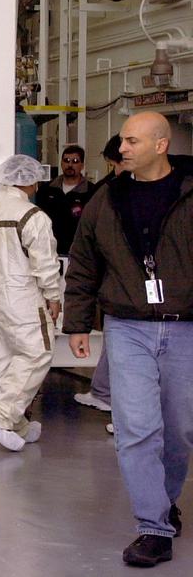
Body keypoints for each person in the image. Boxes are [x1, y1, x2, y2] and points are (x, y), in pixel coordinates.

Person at [65, 111, 193, 568]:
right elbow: (83, 262)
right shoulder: (107, 198)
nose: (122, 148)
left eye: (133, 141)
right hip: (127, 326)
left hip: (185, 327)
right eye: (122, 141)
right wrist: (78, 323)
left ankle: (164, 498)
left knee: (180, 429)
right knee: (137, 428)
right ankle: (153, 527)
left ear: (161, 145)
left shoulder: (189, 190)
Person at [0, 154, 62, 452]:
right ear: (31, 181)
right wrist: (53, 296)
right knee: (37, 353)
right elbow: (45, 264)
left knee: (2, 356)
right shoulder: (33, 216)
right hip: (22, 297)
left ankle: (15, 421)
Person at [75, 133, 124, 419]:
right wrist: (78, 324)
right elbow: (86, 254)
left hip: (165, 306)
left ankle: (113, 403)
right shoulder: (108, 194)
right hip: (123, 298)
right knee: (119, 349)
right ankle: (111, 401)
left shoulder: (178, 190)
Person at [36, 145, 95, 255]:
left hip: (79, 252)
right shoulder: (46, 190)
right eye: (66, 161)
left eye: (75, 161)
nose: (70, 165)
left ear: (82, 165)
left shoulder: (92, 192)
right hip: (49, 251)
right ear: (61, 163)